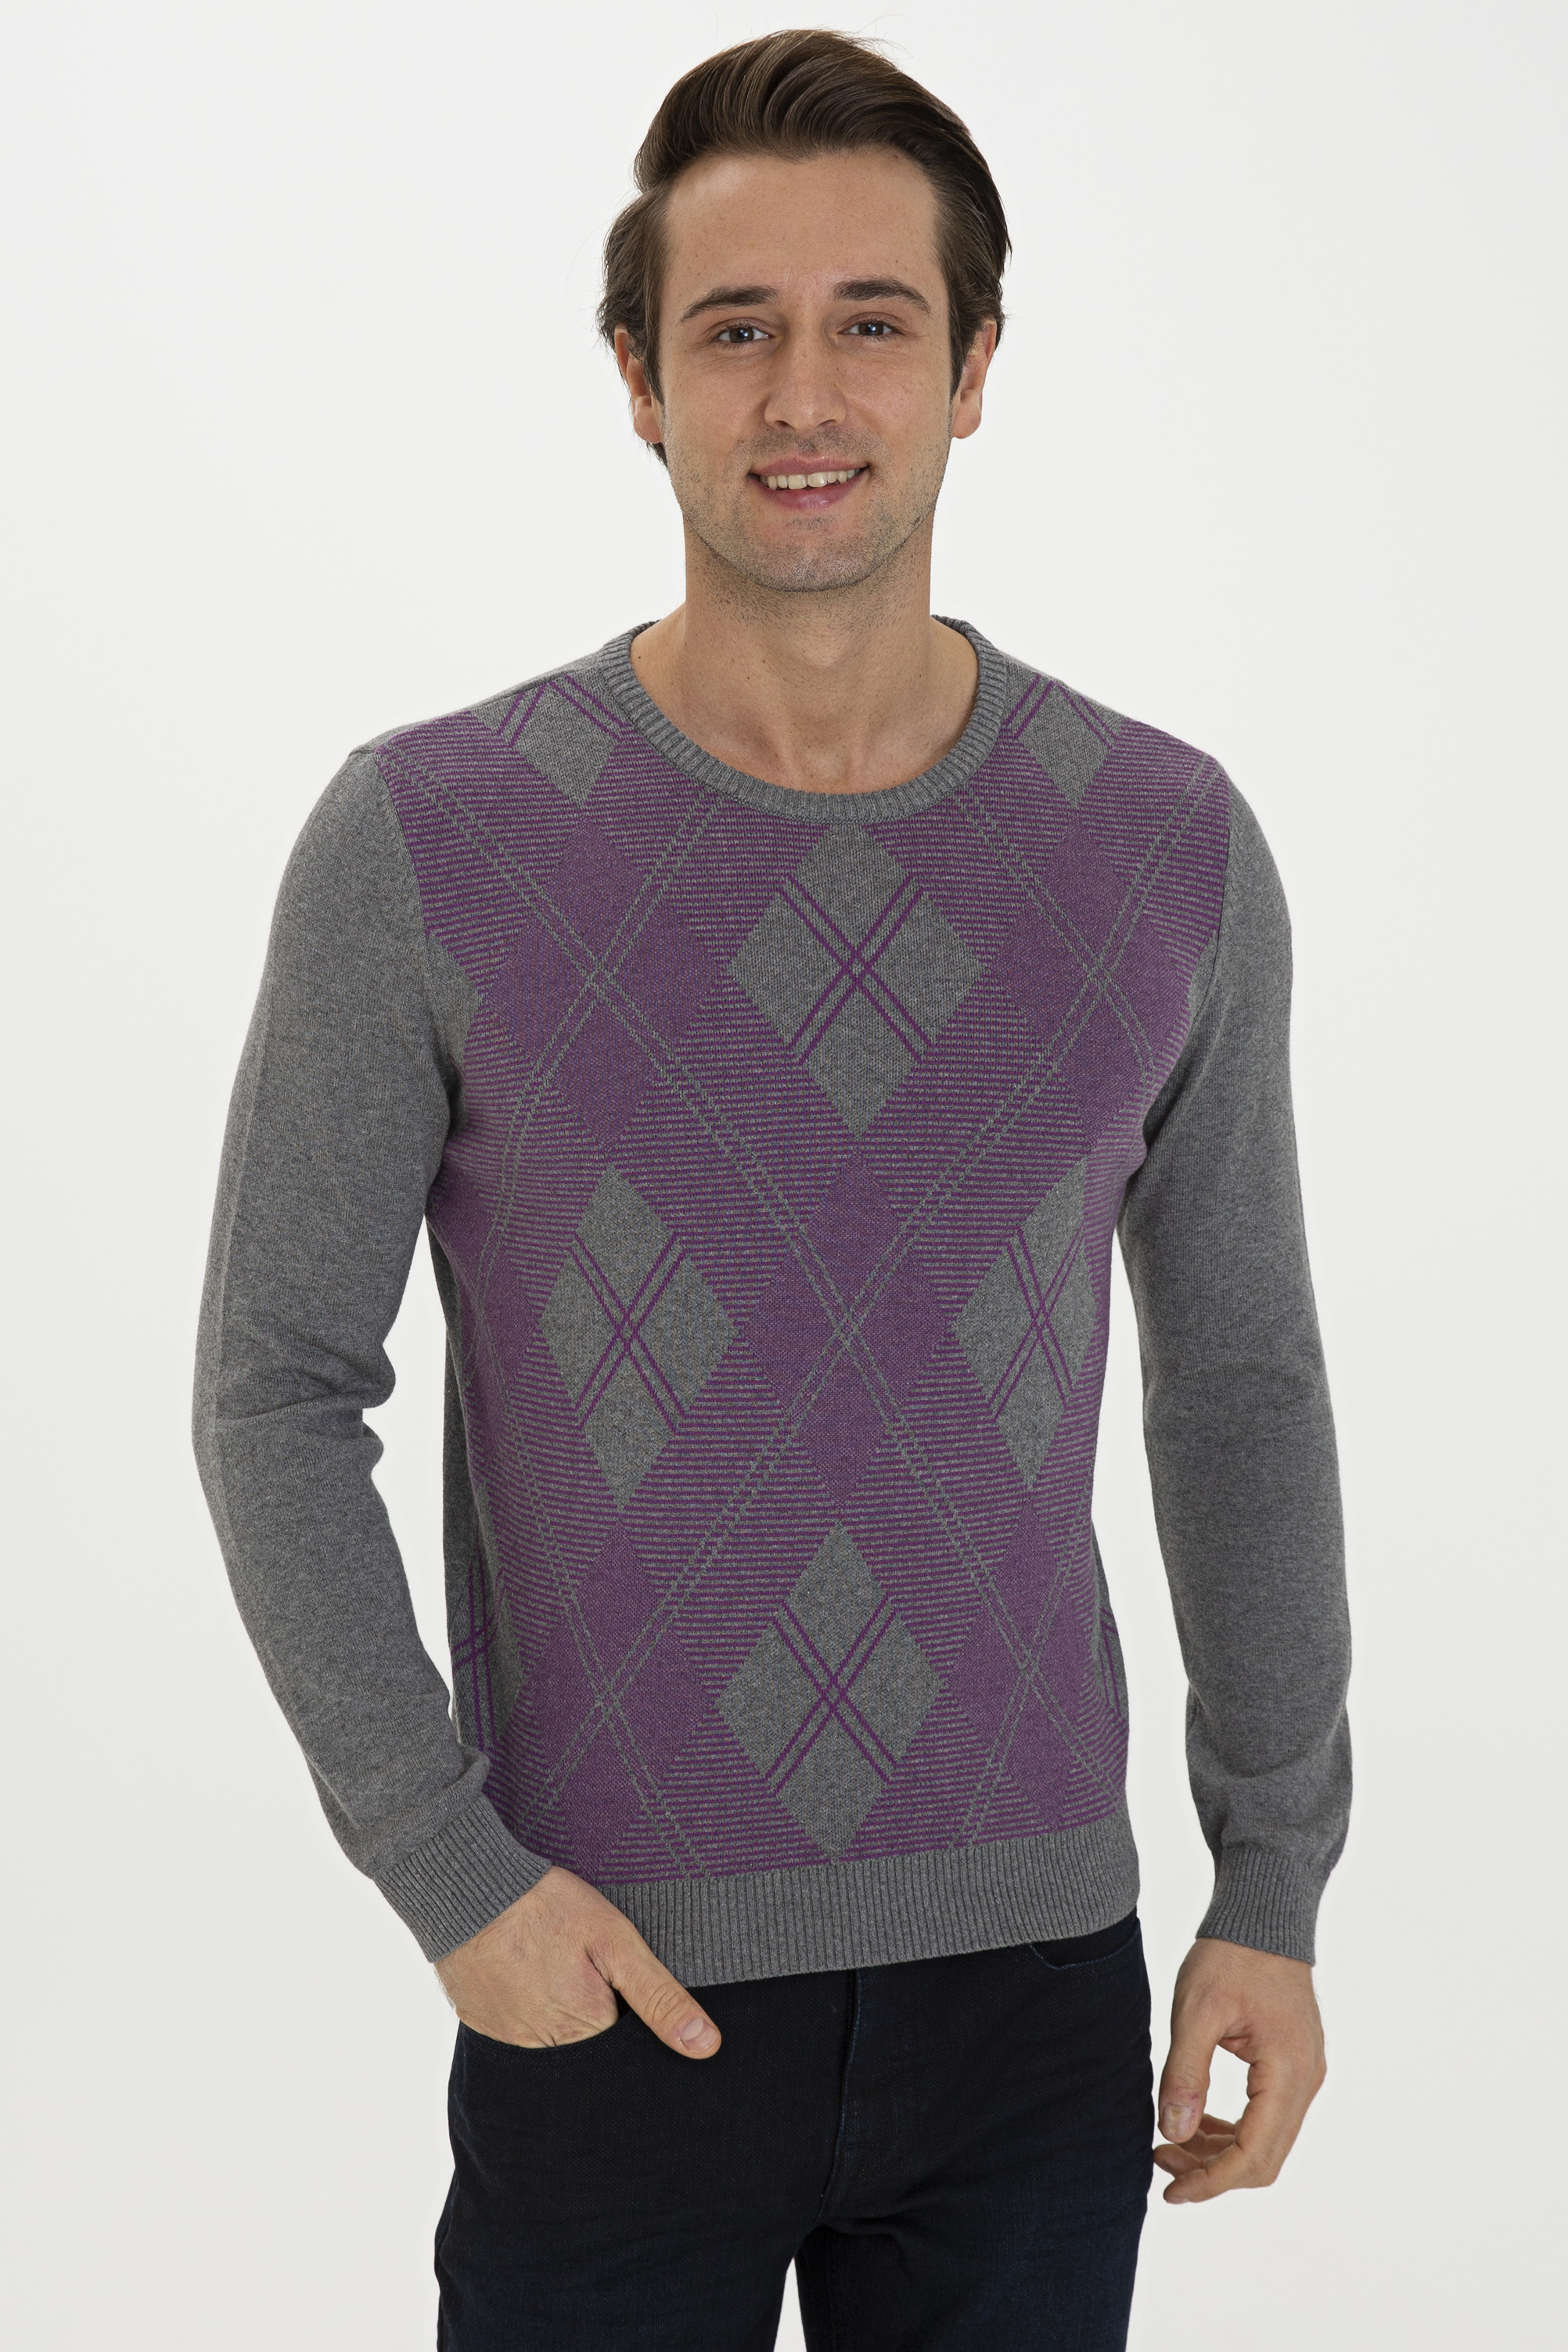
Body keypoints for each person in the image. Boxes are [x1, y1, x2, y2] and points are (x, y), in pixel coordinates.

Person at [193, 28, 1350, 2350]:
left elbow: (1238, 1387)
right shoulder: (430, 841)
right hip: (604, 1984)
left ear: (976, 368)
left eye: (871, 322)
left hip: (1039, 1997)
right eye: (733, 328)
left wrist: (1274, 1887)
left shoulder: (1162, 847)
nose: (803, 395)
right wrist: (446, 1873)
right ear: (637, 378)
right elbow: (276, 1389)